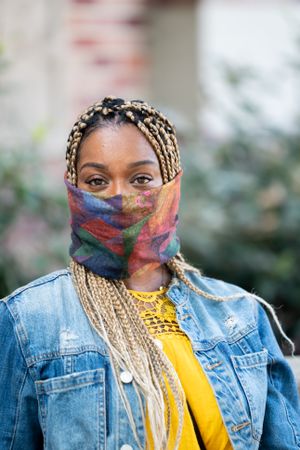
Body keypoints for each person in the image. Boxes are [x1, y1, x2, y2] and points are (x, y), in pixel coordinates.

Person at [0, 96, 299, 450]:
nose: (119, 196)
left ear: (172, 185)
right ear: (73, 189)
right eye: (96, 181)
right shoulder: (28, 321)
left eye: (141, 178)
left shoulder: (239, 314)